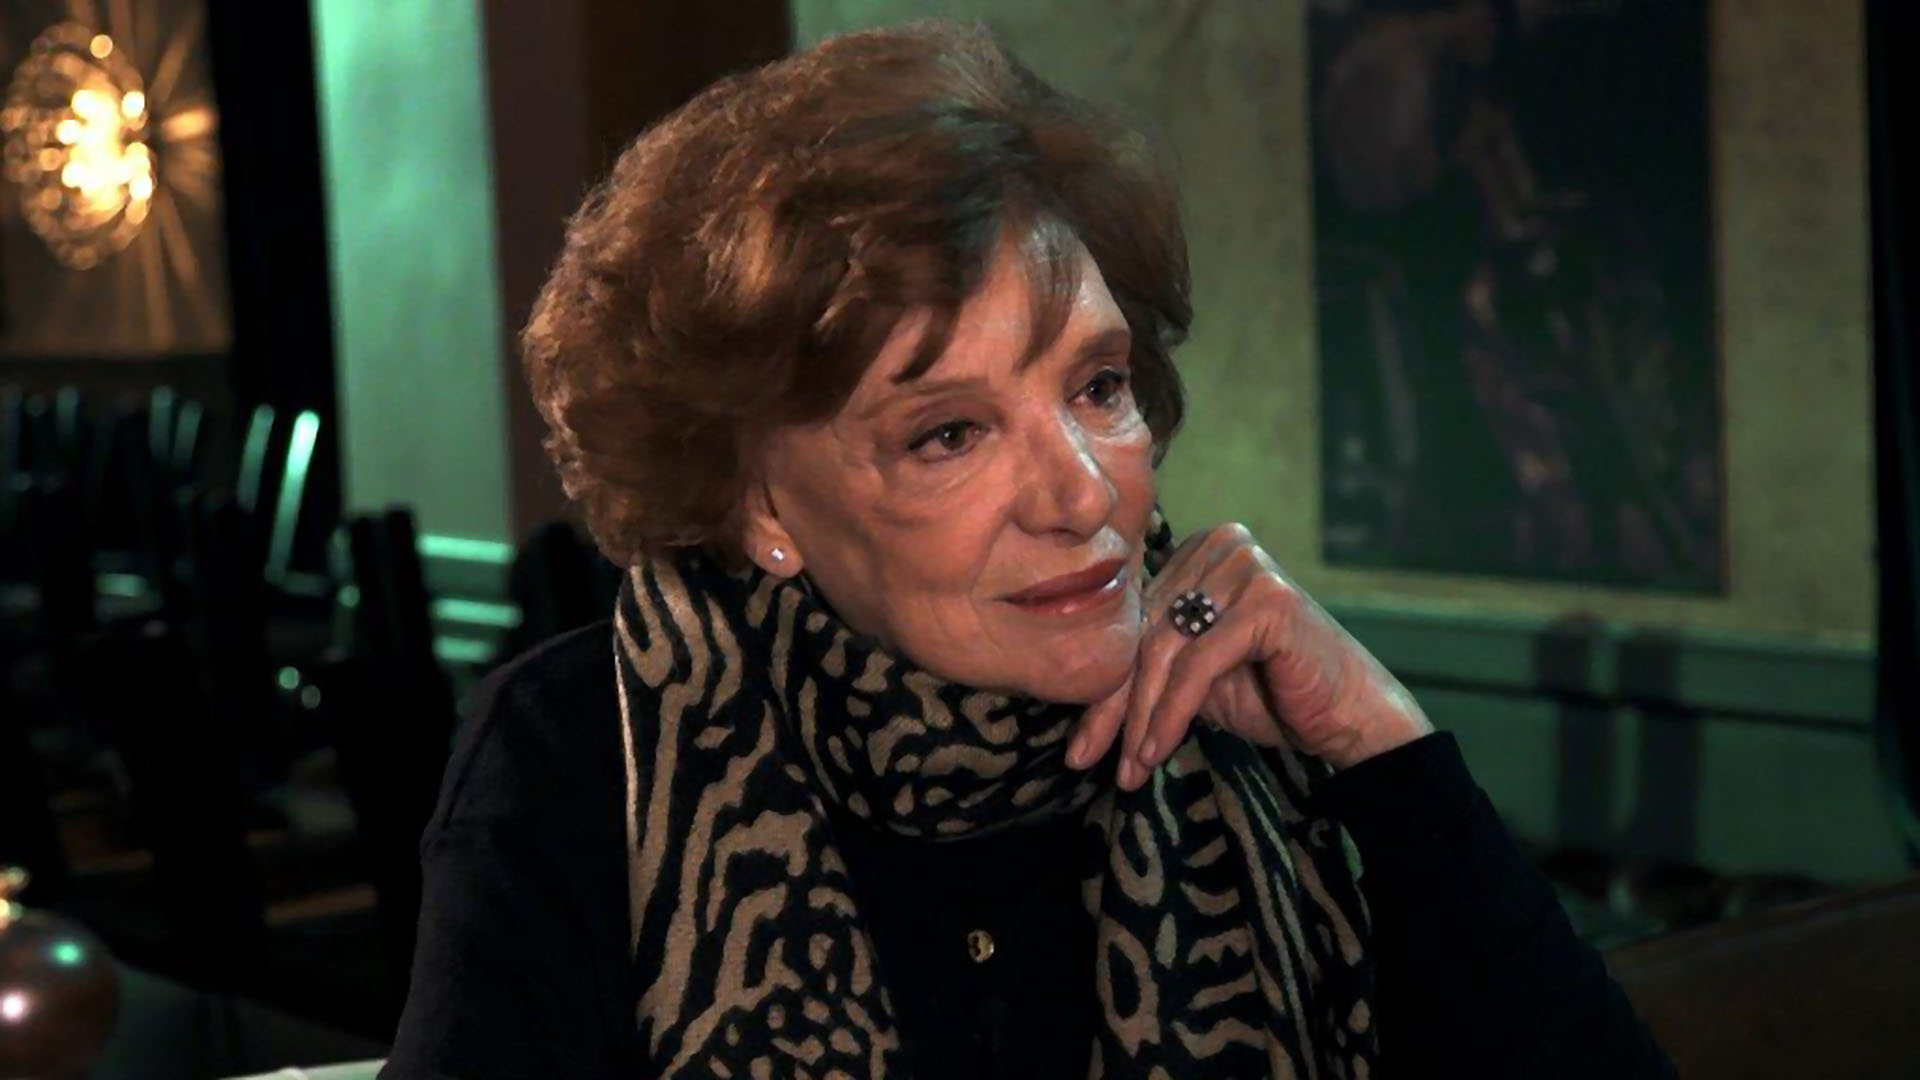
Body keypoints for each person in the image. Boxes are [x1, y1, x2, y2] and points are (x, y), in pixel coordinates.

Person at [381, 21, 1676, 1080]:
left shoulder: (1251, 717)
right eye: (948, 433)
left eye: (1098, 386)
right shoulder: (584, 754)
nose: (1082, 492)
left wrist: (1382, 746)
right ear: (757, 505)